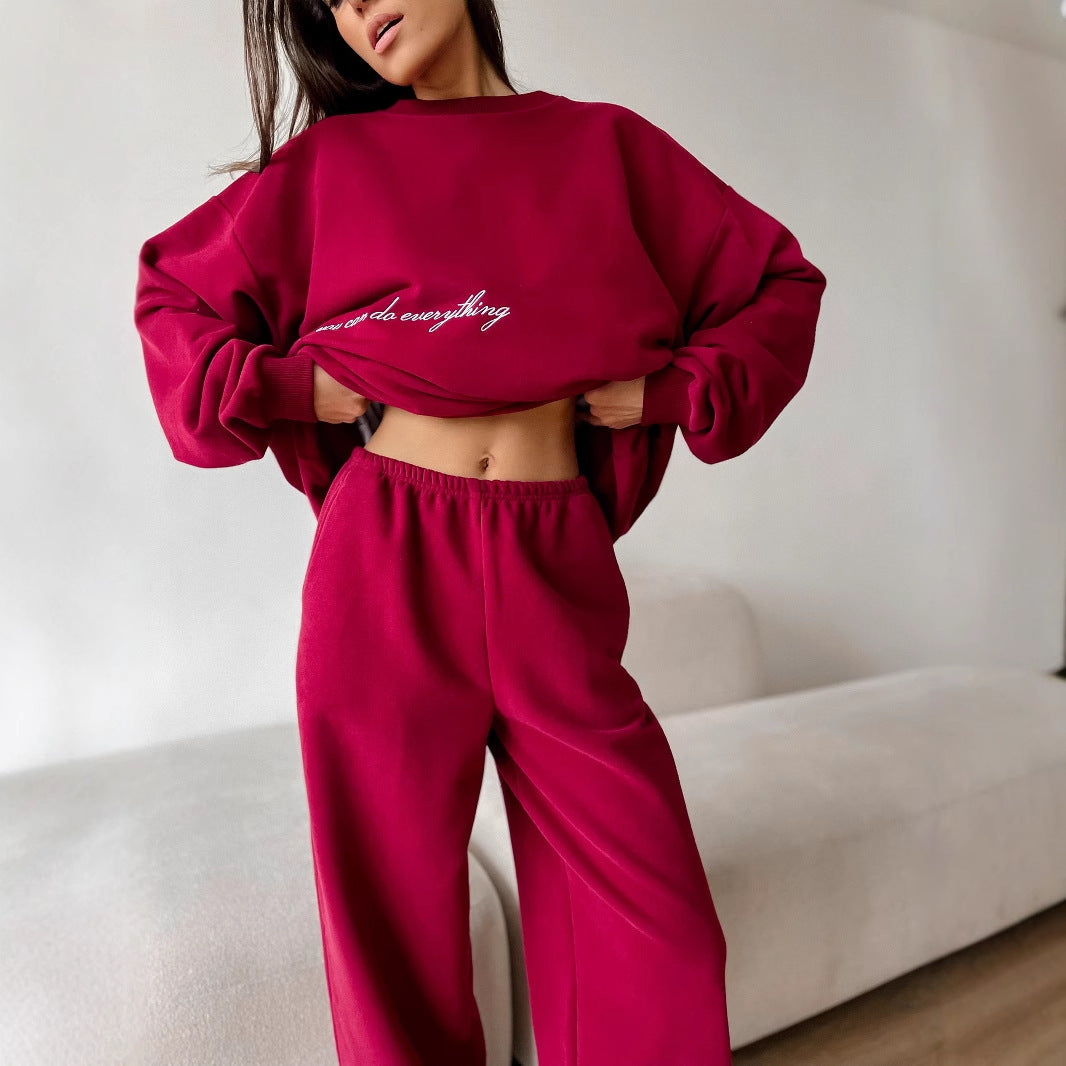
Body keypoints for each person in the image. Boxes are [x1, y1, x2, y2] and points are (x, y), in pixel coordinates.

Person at [132, 1, 827, 1063]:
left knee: (657, 931)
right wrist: (292, 387)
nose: (356, 9)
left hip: (553, 562)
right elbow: (173, 295)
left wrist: (670, 392)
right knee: (391, 934)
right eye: (330, 2)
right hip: (384, 562)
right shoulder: (333, 167)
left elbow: (778, 284)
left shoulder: (607, 148)